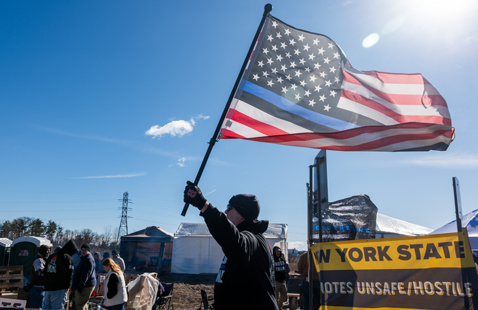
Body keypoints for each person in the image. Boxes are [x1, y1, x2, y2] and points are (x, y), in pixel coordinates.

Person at [184, 181, 278, 310]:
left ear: (241, 214)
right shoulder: (245, 238)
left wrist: (204, 205)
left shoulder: (253, 239)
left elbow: (235, 241)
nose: (226, 211)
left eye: (230, 207)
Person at [43, 240, 77, 310]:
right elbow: (70, 273)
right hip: (59, 289)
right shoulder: (68, 258)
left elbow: (45, 271)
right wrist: (68, 286)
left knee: (46, 307)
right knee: (57, 308)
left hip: (47, 288)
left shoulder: (51, 257)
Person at [72, 243, 97, 310]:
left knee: (80, 304)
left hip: (86, 286)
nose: (83, 251)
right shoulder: (84, 258)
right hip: (85, 285)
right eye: (82, 250)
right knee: (84, 304)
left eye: (85, 250)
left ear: (88, 251)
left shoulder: (88, 260)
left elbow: (86, 274)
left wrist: (81, 285)